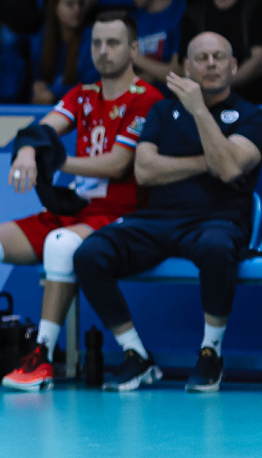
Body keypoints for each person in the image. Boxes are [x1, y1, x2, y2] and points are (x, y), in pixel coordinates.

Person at [0, 12, 161, 391]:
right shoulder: (83, 94)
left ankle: (42, 356)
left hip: (121, 214)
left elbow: (117, 164)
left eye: (113, 43)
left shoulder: (147, 99)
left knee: (59, 245)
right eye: (96, 43)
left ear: (133, 50)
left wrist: (57, 160)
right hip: (76, 210)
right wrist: (30, 151)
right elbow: (40, 130)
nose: (103, 51)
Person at [73, 32, 262, 393]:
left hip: (219, 219)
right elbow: (145, 171)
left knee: (217, 248)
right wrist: (207, 161)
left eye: (219, 57)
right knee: (89, 254)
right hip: (158, 220)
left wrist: (199, 111)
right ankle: (135, 354)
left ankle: (210, 352)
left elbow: (228, 169)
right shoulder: (162, 111)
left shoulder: (252, 115)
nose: (210, 64)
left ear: (234, 66)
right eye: (201, 58)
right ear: (186, 67)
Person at [183, 0, 262, 94]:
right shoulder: (195, 13)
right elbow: (186, 64)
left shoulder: (256, 6)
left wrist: (221, 86)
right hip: (205, 97)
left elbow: (258, 60)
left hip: (252, 96)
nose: (211, 63)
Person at [29, 0, 98, 105]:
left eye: (80, 3)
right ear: (55, 7)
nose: (77, 9)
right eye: (70, 4)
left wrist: (54, 93)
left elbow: (91, 86)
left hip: (80, 108)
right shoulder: (40, 40)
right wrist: (36, 88)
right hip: (44, 107)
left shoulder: (93, 40)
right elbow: (34, 80)